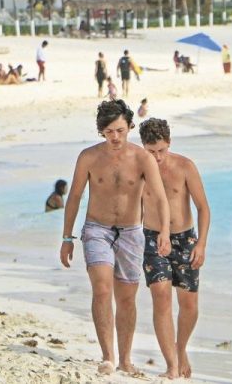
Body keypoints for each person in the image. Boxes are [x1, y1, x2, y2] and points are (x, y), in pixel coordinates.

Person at [59, 99, 170, 376]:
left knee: (127, 298)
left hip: (131, 232)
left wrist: (165, 232)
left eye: (120, 130)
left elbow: (160, 197)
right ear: (101, 131)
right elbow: (74, 196)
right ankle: (108, 357)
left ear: (130, 127)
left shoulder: (143, 158)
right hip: (97, 229)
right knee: (101, 288)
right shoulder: (88, 157)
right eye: (109, 132)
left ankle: (126, 359)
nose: (115, 137)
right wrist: (67, 237)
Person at [139, 118, 210, 379]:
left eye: (161, 150)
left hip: (185, 239)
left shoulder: (185, 166)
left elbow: (203, 207)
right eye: (151, 151)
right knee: (161, 297)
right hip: (152, 237)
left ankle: (181, 348)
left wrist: (201, 244)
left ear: (169, 143)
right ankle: (171, 365)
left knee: (189, 305)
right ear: (143, 146)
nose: (157, 157)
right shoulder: (139, 170)